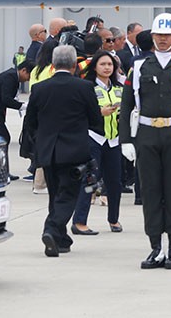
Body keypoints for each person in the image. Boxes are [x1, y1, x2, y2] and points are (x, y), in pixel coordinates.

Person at [119, 13, 171, 270]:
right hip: (146, 134)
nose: (163, 39)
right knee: (150, 191)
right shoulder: (139, 66)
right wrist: (126, 140)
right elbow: (126, 106)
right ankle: (155, 247)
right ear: (152, 37)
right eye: (159, 35)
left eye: (168, 35)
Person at [24, 45, 104, 257]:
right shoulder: (84, 87)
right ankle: (51, 229)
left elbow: (30, 122)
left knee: (55, 195)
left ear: (52, 64)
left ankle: (60, 239)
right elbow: (95, 119)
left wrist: (39, 142)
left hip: (48, 150)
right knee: (68, 195)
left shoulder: (40, 88)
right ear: (73, 65)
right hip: (74, 149)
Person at [72, 50, 124, 235]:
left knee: (115, 182)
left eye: (110, 64)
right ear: (95, 67)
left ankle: (114, 218)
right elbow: (78, 114)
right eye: (103, 64)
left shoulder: (120, 88)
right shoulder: (87, 88)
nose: (107, 68)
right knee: (89, 180)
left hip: (114, 140)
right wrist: (99, 113)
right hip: (94, 138)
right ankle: (79, 221)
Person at [0, 59, 34, 180]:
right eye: (28, 75)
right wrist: (21, 106)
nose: (28, 79)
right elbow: (6, 99)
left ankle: (2, 171)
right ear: (23, 70)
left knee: (1, 140)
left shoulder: (12, 76)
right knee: (3, 139)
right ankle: (2, 171)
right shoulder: (10, 77)